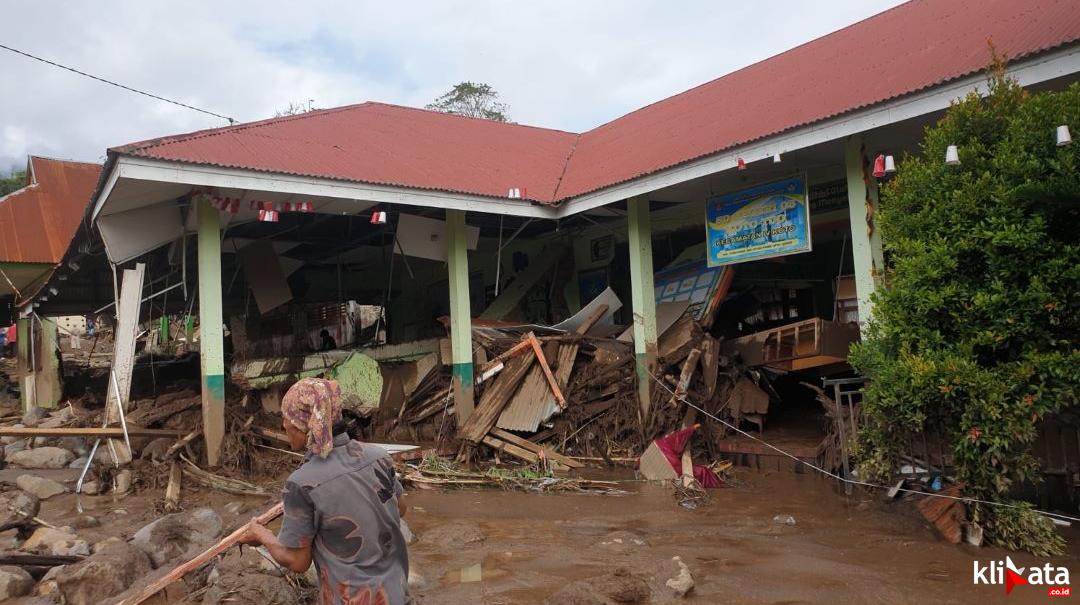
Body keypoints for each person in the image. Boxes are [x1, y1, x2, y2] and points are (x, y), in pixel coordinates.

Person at [240, 377, 409, 604]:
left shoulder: (301, 483)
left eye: (287, 418)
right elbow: (401, 508)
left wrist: (262, 535)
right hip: (397, 595)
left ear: (304, 425)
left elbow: (298, 561)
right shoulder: (378, 456)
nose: (284, 425)